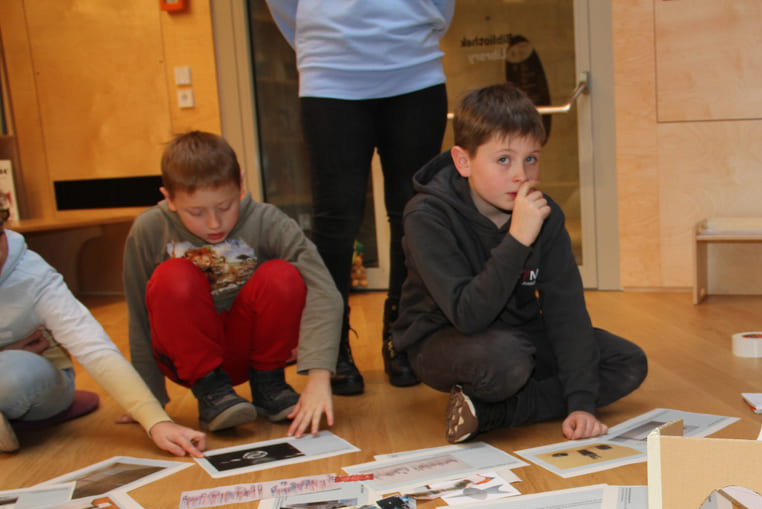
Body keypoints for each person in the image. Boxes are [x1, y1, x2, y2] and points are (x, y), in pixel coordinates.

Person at [393, 83, 648, 443]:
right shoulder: (427, 215)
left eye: (531, 158)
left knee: (626, 362)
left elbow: (566, 311)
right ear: (463, 161)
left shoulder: (547, 215)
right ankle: (503, 394)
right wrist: (517, 239)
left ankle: (497, 412)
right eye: (504, 160)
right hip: (441, 339)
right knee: (507, 361)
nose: (521, 174)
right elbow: (468, 314)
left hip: (520, 334)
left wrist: (581, 405)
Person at [266, 0, 453, 394]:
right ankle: (330, 346)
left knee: (414, 212)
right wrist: (318, 35)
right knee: (335, 219)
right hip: (330, 69)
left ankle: (403, 332)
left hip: (413, 64)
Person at [123, 131, 343, 437]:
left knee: (283, 275)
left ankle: (269, 385)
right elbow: (138, 313)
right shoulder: (148, 229)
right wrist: (146, 400)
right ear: (169, 199)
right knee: (172, 276)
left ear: (240, 183)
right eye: (196, 212)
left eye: (225, 207)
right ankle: (211, 392)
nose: (214, 224)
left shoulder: (268, 220)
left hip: (246, 349)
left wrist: (319, 377)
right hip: (186, 358)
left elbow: (323, 288)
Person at [0, 204, 205, 456]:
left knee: (11, 373)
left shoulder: (32, 275)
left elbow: (93, 346)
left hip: (36, 379)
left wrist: (156, 421)